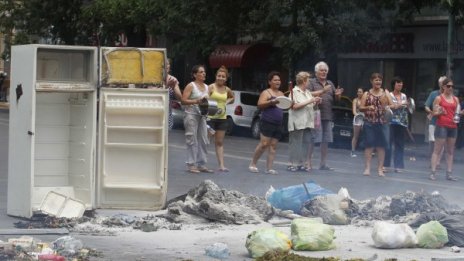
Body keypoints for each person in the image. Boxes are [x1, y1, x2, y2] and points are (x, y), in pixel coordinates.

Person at [308, 61, 344, 170]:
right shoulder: (311, 82)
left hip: (327, 115)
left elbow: (337, 100)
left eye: (325, 70)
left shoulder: (330, 83)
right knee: (313, 139)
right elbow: (307, 94)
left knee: (326, 140)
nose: (324, 72)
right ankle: (308, 162)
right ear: (316, 72)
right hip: (315, 115)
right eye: (321, 70)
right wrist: (322, 90)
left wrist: (338, 95)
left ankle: (323, 163)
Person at [249, 71, 285, 175]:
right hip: (267, 121)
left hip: (278, 123)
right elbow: (259, 105)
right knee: (264, 144)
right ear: (270, 82)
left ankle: (269, 168)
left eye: (279, 80)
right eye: (275, 80)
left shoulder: (281, 94)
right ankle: (253, 164)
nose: (278, 82)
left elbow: (285, 106)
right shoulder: (266, 92)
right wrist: (271, 102)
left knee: (273, 146)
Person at [181, 65, 214, 173]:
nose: (203, 74)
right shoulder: (191, 86)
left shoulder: (207, 87)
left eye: (204, 72)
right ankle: (191, 164)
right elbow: (183, 100)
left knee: (204, 139)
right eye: (201, 72)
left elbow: (207, 103)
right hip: (191, 114)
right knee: (192, 139)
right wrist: (196, 101)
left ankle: (202, 164)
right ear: (195, 74)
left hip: (202, 116)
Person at [287, 71, 321, 172]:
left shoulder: (307, 93)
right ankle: (292, 163)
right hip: (297, 122)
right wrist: (310, 101)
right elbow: (294, 106)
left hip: (307, 122)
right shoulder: (294, 92)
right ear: (304, 81)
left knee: (306, 142)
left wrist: (316, 102)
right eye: (308, 80)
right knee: (296, 143)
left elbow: (310, 105)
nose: (309, 82)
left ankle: (301, 163)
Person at [430, 78, 463, 181]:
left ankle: (449, 173)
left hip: (453, 126)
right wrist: (440, 112)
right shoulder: (439, 98)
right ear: (443, 87)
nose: (450, 88)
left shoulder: (456, 99)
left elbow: (457, 112)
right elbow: (433, 113)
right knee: (437, 150)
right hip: (442, 125)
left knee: (450, 151)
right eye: (448, 86)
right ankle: (433, 172)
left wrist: (461, 113)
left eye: (452, 86)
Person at [359, 73, 391, 177]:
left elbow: (393, 105)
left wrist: (385, 105)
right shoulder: (366, 94)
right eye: (376, 80)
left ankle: (380, 169)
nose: (378, 82)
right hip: (369, 122)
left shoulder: (385, 93)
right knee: (369, 145)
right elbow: (361, 108)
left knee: (381, 146)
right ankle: (367, 168)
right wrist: (368, 108)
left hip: (382, 122)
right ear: (371, 81)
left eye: (380, 80)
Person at [208, 66, 235, 172]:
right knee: (206, 140)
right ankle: (201, 162)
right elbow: (204, 99)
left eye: (223, 76)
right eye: (219, 76)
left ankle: (221, 165)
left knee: (219, 142)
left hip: (222, 118)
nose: (221, 78)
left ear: (226, 78)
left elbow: (232, 97)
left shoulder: (227, 89)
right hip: (210, 117)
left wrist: (227, 101)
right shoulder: (211, 87)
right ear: (216, 76)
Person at [384, 77, 409, 173]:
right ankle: (385, 165)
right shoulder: (389, 95)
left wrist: (406, 104)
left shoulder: (403, 96)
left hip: (401, 122)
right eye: (398, 84)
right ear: (394, 85)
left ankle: (398, 166)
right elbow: (386, 106)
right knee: (388, 144)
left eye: (401, 84)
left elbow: (407, 106)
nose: (400, 85)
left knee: (399, 144)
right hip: (391, 121)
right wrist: (396, 106)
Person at [424, 76, 447, 169]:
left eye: (445, 83)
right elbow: (426, 105)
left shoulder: (448, 95)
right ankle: (432, 160)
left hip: (444, 122)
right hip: (433, 121)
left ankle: (437, 162)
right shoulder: (434, 94)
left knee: (441, 142)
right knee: (432, 142)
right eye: (441, 83)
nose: (443, 85)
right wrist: (430, 111)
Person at [166, 58, 182, 130]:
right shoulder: (153, 78)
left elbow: (179, 98)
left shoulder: (173, 79)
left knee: (166, 139)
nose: (166, 65)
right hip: (154, 113)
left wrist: (174, 87)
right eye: (164, 63)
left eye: (168, 64)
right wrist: (166, 85)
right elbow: (153, 94)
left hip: (167, 114)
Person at [351, 87, 364, 157]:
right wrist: (358, 115)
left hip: (365, 118)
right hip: (358, 118)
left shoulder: (366, 100)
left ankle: (369, 151)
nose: (359, 93)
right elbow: (354, 111)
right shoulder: (355, 100)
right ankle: (353, 151)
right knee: (356, 136)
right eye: (358, 92)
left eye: (361, 92)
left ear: (363, 93)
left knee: (368, 135)